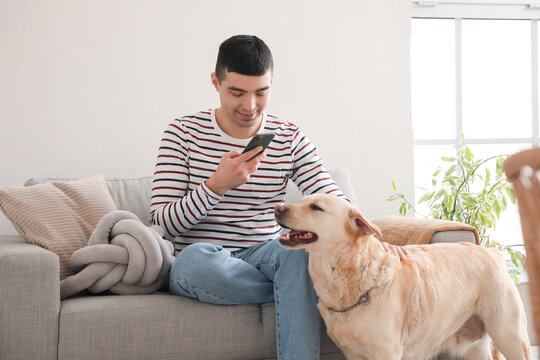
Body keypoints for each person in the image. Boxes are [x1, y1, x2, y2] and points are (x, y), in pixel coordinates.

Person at [150, 34, 406, 359]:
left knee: (299, 252)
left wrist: (372, 241)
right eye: (237, 92)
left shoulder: (288, 138)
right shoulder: (181, 134)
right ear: (216, 82)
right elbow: (161, 225)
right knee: (192, 262)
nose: (250, 105)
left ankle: (294, 283)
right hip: (202, 260)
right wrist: (217, 184)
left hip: (268, 255)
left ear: (272, 82)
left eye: (261, 92)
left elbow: (333, 198)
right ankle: (294, 287)